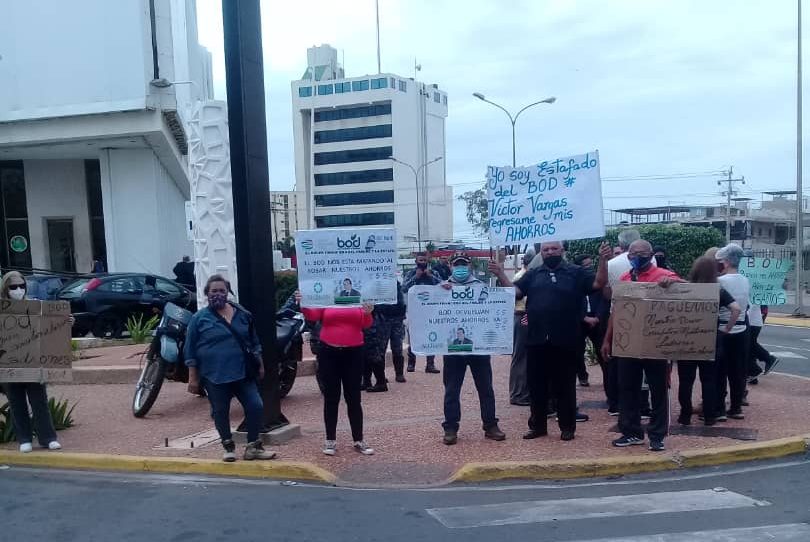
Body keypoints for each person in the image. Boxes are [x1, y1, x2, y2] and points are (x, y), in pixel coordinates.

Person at [490, 241, 611, 442]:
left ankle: (567, 426)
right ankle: (538, 426)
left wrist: (603, 260)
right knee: (536, 386)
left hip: (566, 339)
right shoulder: (533, 274)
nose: (550, 252)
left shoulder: (576, 272)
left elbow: (598, 283)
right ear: (541, 253)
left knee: (565, 385)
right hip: (536, 339)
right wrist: (500, 273)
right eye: (546, 250)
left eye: (554, 249)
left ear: (562, 251)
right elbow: (515, 292)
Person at [185, 275, 276, 462]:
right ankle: (228, 446)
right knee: (220, 410)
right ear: (207, 293)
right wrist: (192, 378)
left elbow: (254, 342)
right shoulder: (199, 319)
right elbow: (190, 350)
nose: (218, 294)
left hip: (243, 372)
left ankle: (253, 446)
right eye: (214, 291)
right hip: (214, 375)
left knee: (256, 406)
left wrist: (260, 364)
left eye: (222, 290)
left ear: (228, 292)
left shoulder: (242, 314)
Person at [602, 239, 679, 452]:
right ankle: (631, 432)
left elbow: (687, 291)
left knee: (658, 390)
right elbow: (616, 311)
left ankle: (657, 435)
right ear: (628, 256)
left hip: (656, 343)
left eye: (643, 253)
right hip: (629, 343)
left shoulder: (664, 275)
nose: (638, 257)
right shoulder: (625, 279)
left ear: (651, 255)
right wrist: (607, 339)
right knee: (627, 388)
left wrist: (671, 283)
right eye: (634, 253)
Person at [439, 252, 505, 445]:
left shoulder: (481, 288)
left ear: (470, 266)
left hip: (478, 348)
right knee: (451, 390)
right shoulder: (441, 288)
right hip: (453, 349)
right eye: (456, 264)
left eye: (464, 264)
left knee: (486, 388)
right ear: (450, 266)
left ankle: (490, 425)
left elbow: (493, 310)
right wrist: (441, 293)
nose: (460, 268)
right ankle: (450, 428)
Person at [299, 292, 376, 456]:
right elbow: (313, 315)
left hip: (353, 352)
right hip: (329, 351)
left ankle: (358, 439)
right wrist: (303, 302)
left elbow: (366, 324)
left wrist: (368, 313)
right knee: (331, 397)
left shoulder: (357, 297)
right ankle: (330, 440)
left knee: (354, 397)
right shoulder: (328, 297)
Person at [1, 271, 65, 453]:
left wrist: (66, 321)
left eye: (21, 286)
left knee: (39, 402)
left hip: (33, 361)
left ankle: (48, 438)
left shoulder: (35, 305)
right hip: (9, 365)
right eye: (13, 287)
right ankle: (24, 439)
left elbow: (52, 325)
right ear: (5, 288)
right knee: (16, 402)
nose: (18, 290)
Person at [680, 257, 742, 426]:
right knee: (709, 380)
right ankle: (709, 416)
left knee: (686, 381)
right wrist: (726, 329)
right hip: (710, 339)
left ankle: (685, 415)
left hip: (686, 340)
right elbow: (736, 309)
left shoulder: (686, 288)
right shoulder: (718, 290)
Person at [714, 244, 750, 420]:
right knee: (737, 372)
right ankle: (736, 408)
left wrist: (727, 328)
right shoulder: (745, 280)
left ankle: (720, 409)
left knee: (719, 372)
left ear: (726, 262)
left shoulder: (720, 281)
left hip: (723, 329)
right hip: (742, 330)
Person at [364, 282, 407, 391]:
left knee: (397, 347)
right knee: (381, 349)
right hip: (383, 318)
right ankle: (382, 377)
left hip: (397, 319)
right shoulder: (376, 284)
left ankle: (399, 374)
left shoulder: (396, 284)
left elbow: (401, 302)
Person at [402, 252, 441, 374]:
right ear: (416, 262)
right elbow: (404, 288)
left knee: (431, 337)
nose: (423, 262)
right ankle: (411, 364)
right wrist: (416, 277)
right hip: (415, 312)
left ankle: (430, 364)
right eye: (420, 260)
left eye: (424, 260)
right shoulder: (410, 273)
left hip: (430, 312)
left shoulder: (434, 273)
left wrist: (431, 277)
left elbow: (443, 286)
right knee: (413, 338)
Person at [510, 249, 535, 406]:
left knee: (524, 357)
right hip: (523, 316)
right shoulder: (523, 277)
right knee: (521, 357)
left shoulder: (523, 275)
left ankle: (523, 391)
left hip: (524, 317)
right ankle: (518, 393)